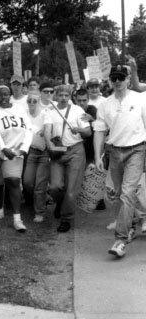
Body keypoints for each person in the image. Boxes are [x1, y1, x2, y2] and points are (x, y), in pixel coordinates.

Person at [93, 64, 146, 258]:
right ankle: (131, 226)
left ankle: (121, 240)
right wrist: (98, 154)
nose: (117, 81)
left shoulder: (140, 99)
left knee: (127, 193)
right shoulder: (105, 104)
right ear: (110, 80)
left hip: (136, 150)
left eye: (121, 78)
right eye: (114, 78)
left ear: (128, 79)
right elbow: (99, 131)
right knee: (118, 194)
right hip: (114, 152)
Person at [0, 84, 33, 231]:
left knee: (13, 181)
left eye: (6, 94)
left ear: (10, 95)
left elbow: (29, 129)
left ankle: (17, 219)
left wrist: (24, 149)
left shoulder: (19, 108)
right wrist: (3, 148)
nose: (4, 97)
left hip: (15, 151)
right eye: (0, 95)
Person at [44, 85, 91, 233]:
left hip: (75, 151)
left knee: (71, 190)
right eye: (61, 95)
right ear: (56, 96)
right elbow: (47, 132)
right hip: (58, 152)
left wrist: (79, 129)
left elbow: (88, 132)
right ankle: (61, 203)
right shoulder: (49, 111)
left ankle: (66, 219)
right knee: (54, 187)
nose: (63, 98)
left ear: (70, 97)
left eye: (66, 95)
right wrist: (50, 146)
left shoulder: (77, 110)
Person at [23, 92, 50, 223]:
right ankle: (33, 202)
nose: (32, 103)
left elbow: (47, 126)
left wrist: (45, 130)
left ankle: (40, 212)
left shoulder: (45, 113)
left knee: (40, 185)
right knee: (27, 182)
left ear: (39, 101)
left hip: (44, 152)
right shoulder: (24, 114)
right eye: (30, 101)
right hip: (31, 152)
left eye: (35, 101)